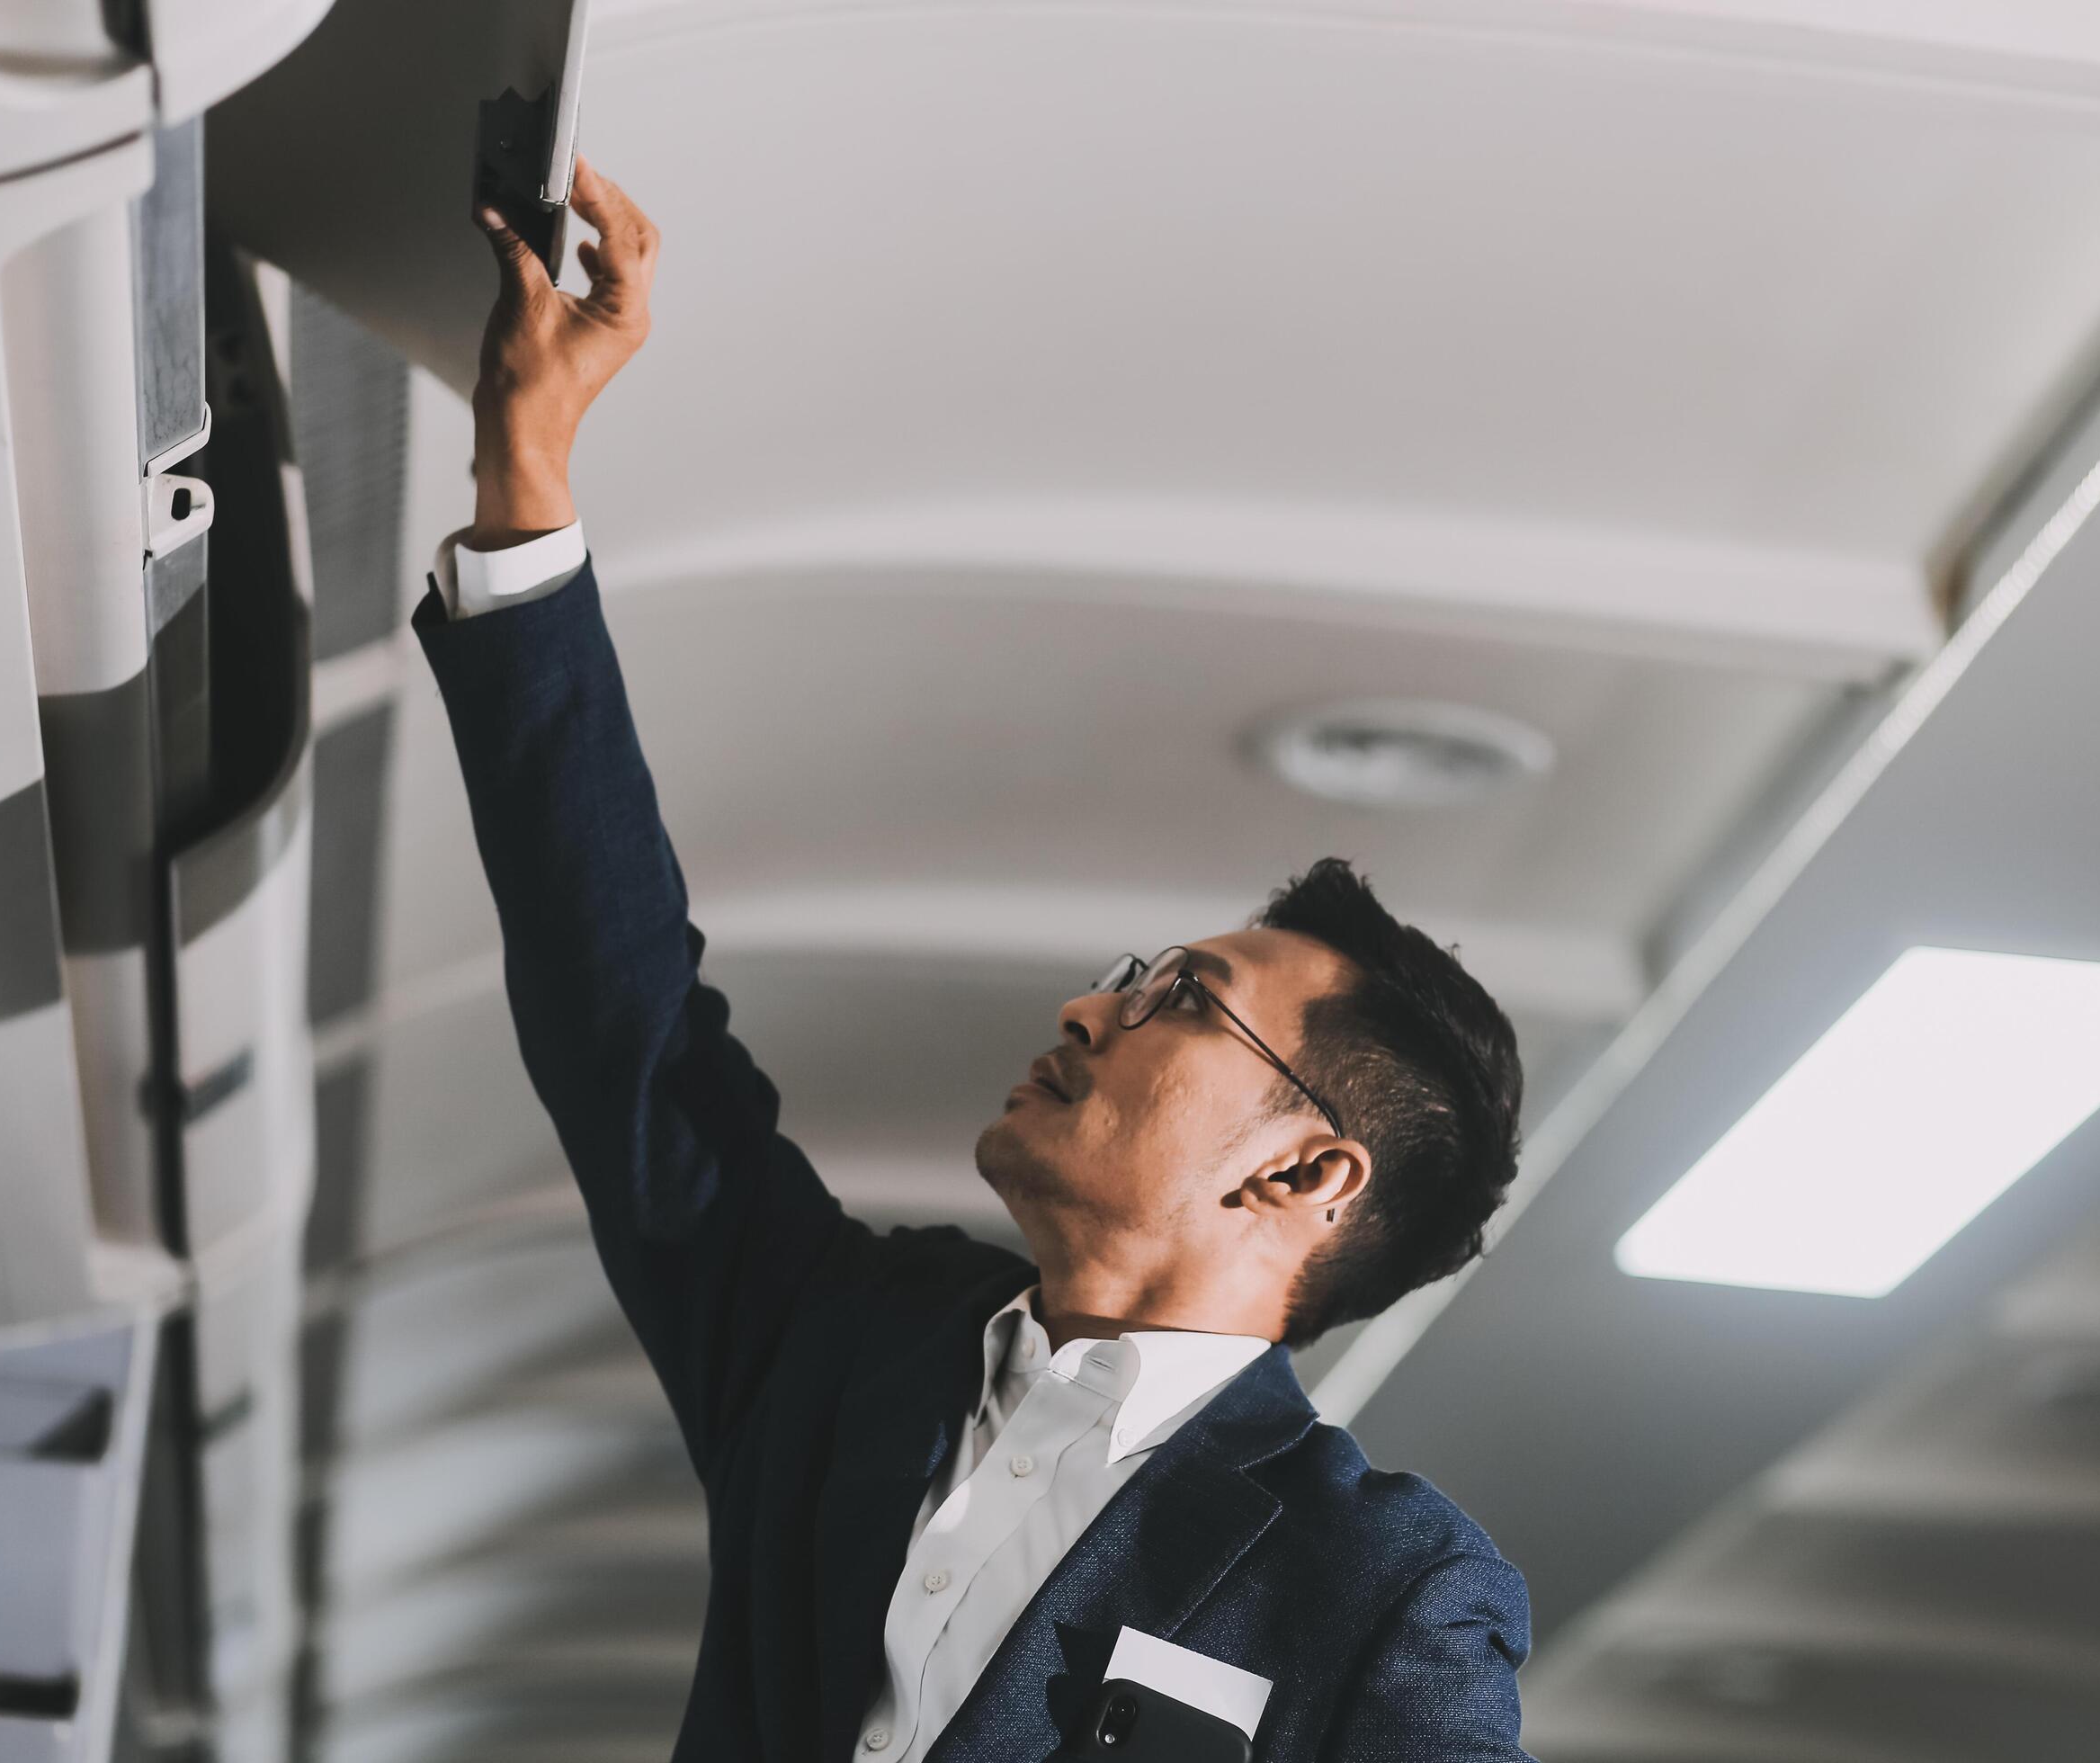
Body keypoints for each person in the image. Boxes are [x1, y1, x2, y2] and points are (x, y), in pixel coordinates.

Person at [417, 157, 1535, 1761]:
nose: (1094, 1004)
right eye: (1136, 973)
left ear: (1305, 1176)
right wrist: (525, 470)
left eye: (1181, 1002)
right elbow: (627, 1029)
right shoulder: (844, 1343)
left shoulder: (1384, 1587)